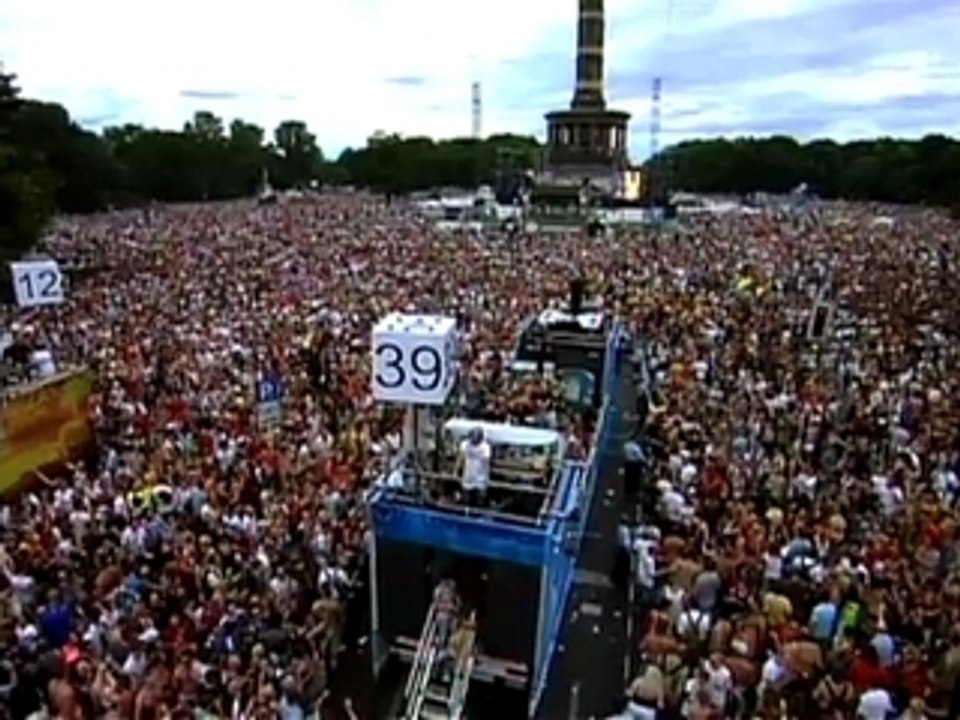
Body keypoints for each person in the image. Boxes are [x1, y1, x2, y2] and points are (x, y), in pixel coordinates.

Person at [458, 426, 491, 506]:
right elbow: (460, 457)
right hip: (468, 476)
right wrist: (455, 471)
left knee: (480, 501)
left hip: (480, 477)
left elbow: (486, 462)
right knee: (466, 500)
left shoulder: (485, 447)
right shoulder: (465, 444)